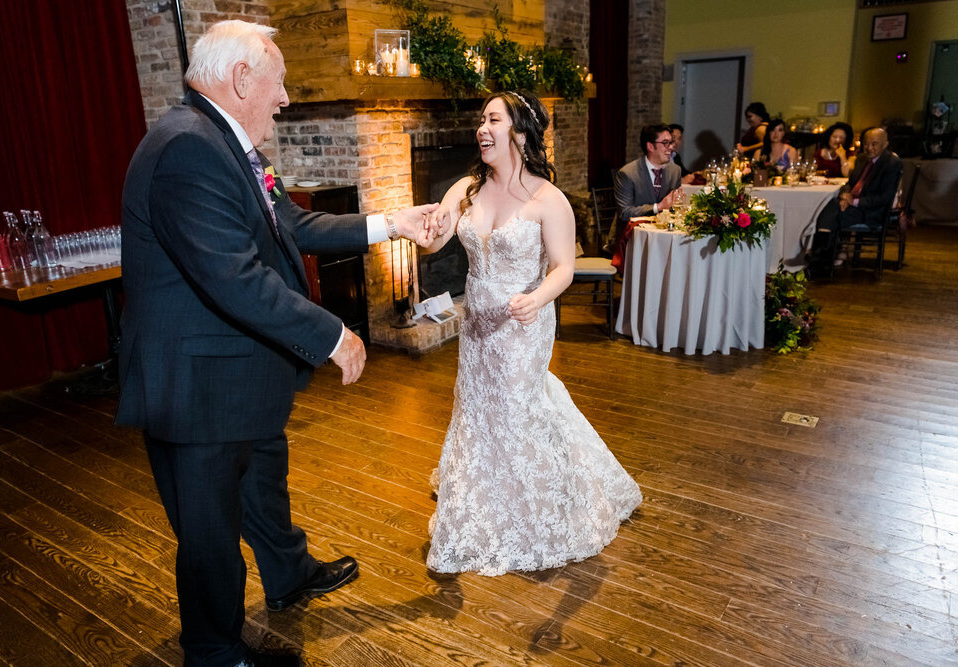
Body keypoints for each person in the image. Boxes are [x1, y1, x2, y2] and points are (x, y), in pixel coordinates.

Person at [115, 20, 440, 666]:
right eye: (279, 81)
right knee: (209, 530)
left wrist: (391, 223)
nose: (285, 97)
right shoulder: (187, 148)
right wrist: (330, 334)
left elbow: (291, 223)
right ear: (240, 79)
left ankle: (288, 574)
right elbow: (233, 276)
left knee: (265, 474)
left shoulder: (227, 143)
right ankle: (214, 647)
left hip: (239, 372)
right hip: (199, 387)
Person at [416, 91, 642, 576]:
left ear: (519, 132)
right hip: (477, 326)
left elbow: (563, 268)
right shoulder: (466, 189)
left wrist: (537, 299)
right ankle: (485, 494)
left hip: (524, 324)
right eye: (480, 119)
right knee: (478, 407)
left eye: (492, 119)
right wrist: (421, 229)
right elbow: (435, 238)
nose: (481, 127)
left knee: (520, 406)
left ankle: (548, 498)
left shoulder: (549, 199)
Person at [809, 127, 902, 273]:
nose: (869, 148)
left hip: (872, 210)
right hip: (853, 205)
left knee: (835, 215)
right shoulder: (861, 159)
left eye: (874, 144)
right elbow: (849, 184)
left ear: (885, 145)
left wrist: (855, 202)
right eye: (866, 143)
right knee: (830, 205)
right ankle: (823, 254)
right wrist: (845, 196)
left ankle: (821, 255)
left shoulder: (891, 163)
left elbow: (885, 197)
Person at [604, 123, 683, 257]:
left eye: (671, 142)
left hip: (664, 239)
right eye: (665, 143)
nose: (670, 147)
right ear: (650, 146)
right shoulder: (628, 174)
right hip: (632, 240)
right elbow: (625, 213)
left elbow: (675, 208)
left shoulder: (675, 171)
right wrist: (658, 207)